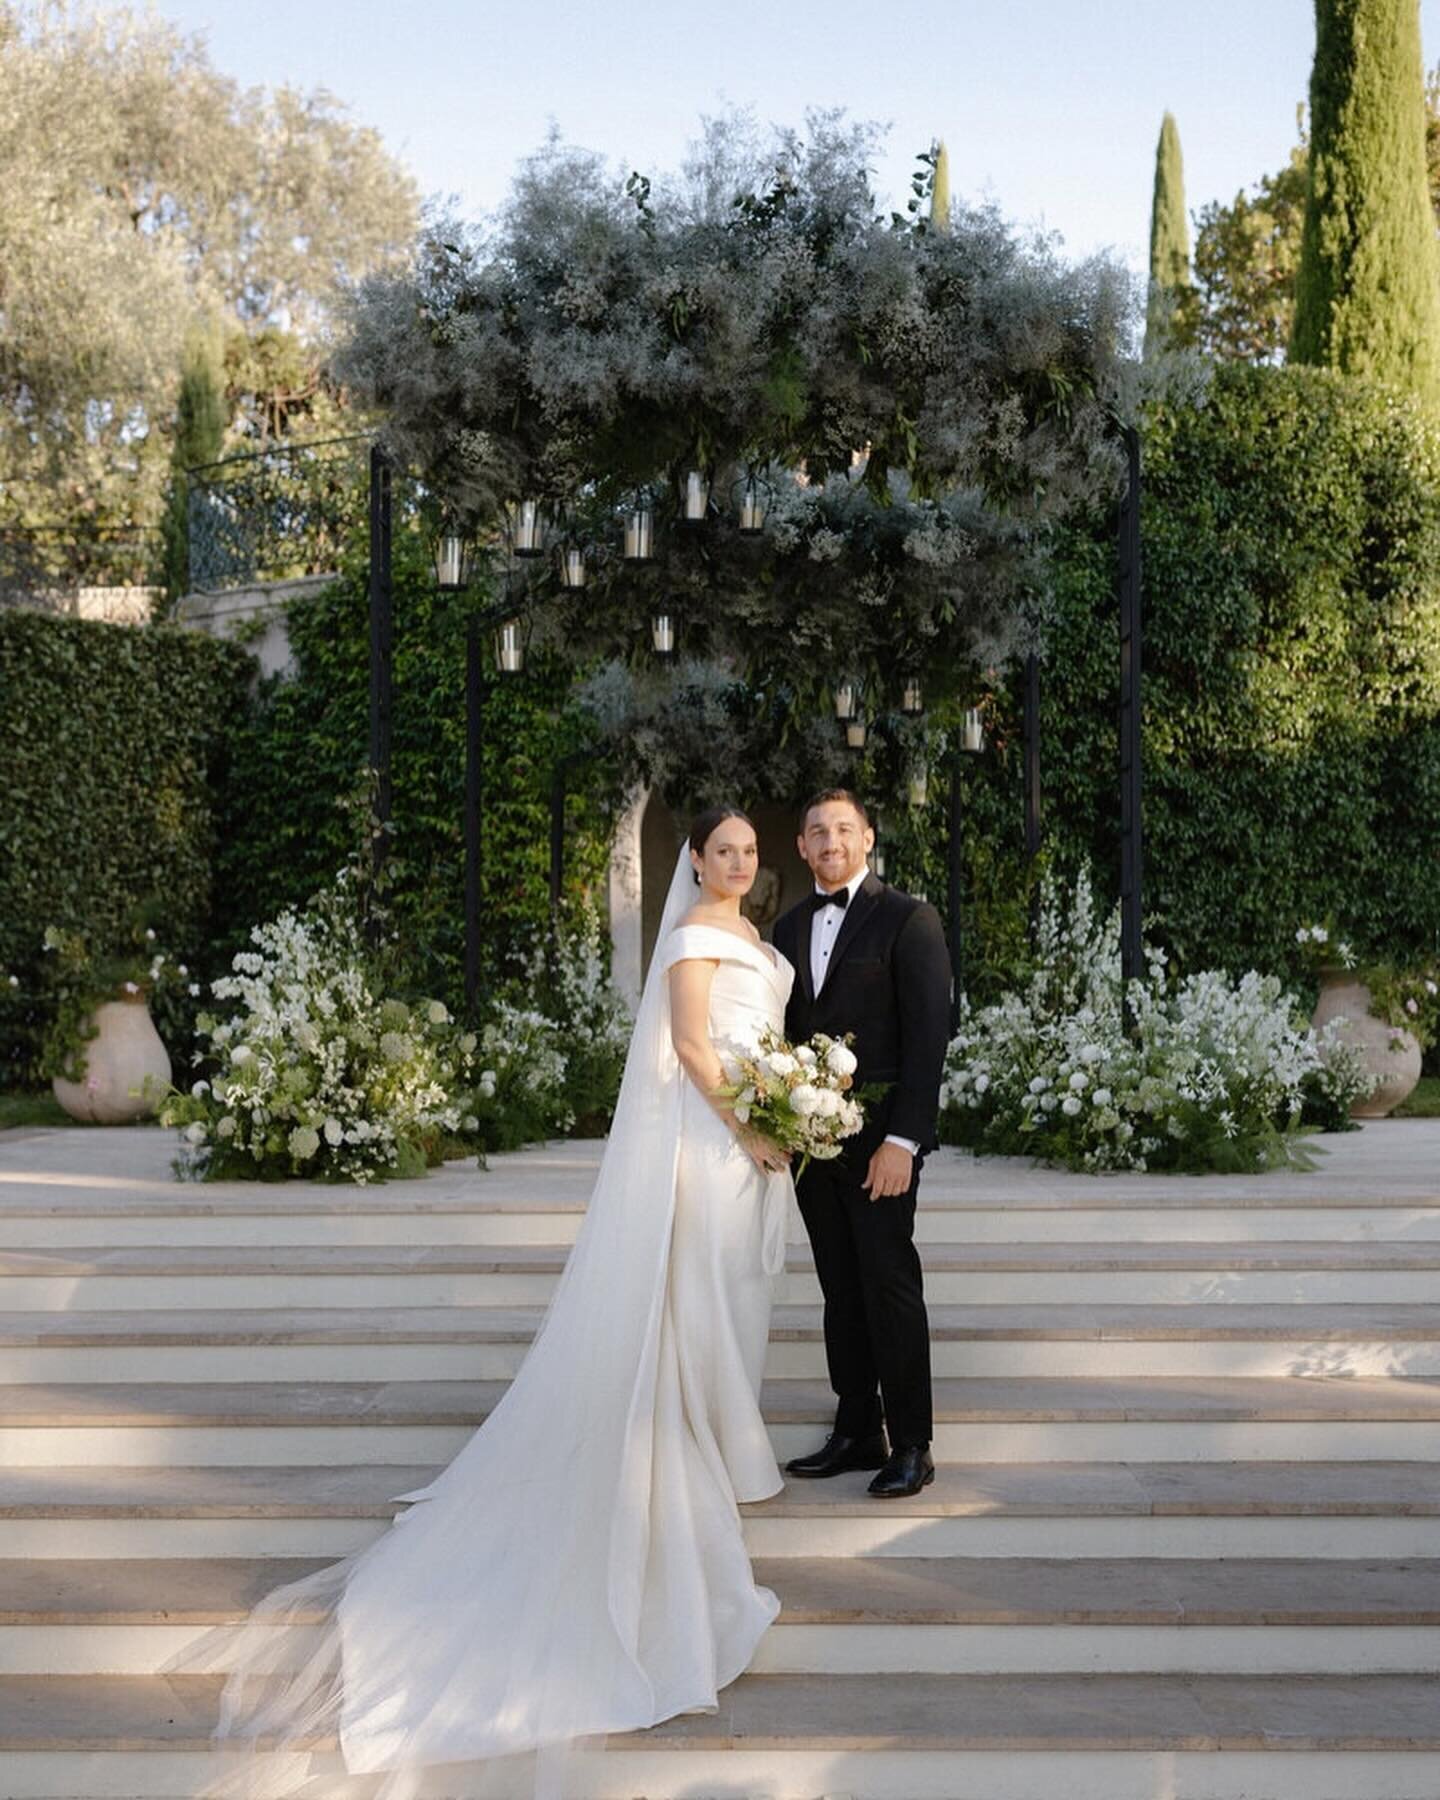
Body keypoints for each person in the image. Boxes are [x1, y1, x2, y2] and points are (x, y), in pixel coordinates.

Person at [168, 808, 802, 1800]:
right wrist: (752, 1125)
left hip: (754, 1149)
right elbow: (687, 1045)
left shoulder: (760, 940)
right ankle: (693, 1444)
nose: (738, 862)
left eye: (749, 851)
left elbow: (764, 1038)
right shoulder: (688, 937)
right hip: (708, 1141)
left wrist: (788, 1114)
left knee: (736, 1299)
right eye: (722, 850)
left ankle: (722, 1438)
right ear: (693, 861)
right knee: (697, 1306)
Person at [771, 788, 952, 1499]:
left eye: (843, 829)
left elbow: (929, 1038)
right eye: (817, 831)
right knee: (838, 1289)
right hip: (811, 1148)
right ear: (802, 846)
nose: (830, 841)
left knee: (889, 1286)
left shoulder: (910, 919)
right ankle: (856, 1430)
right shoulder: (785, 930)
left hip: (881, 1145)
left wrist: (903, 1140)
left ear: (868, 838)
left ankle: (912, 1442)